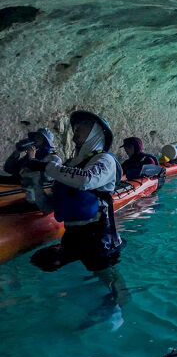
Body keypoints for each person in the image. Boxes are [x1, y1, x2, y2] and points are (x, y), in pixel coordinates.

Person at [27, 110, 125, 272]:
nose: (76, 130)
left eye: (82, 126)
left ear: (97, 132)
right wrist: (34, 184)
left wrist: (46, 167)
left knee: (107, 279)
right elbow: (48, 207)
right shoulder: (69, 166)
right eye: (75, 127)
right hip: (72, 236)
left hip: (99, 237)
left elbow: (86, 180)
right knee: (41, 262)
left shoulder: (105, 160)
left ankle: (118, 295)